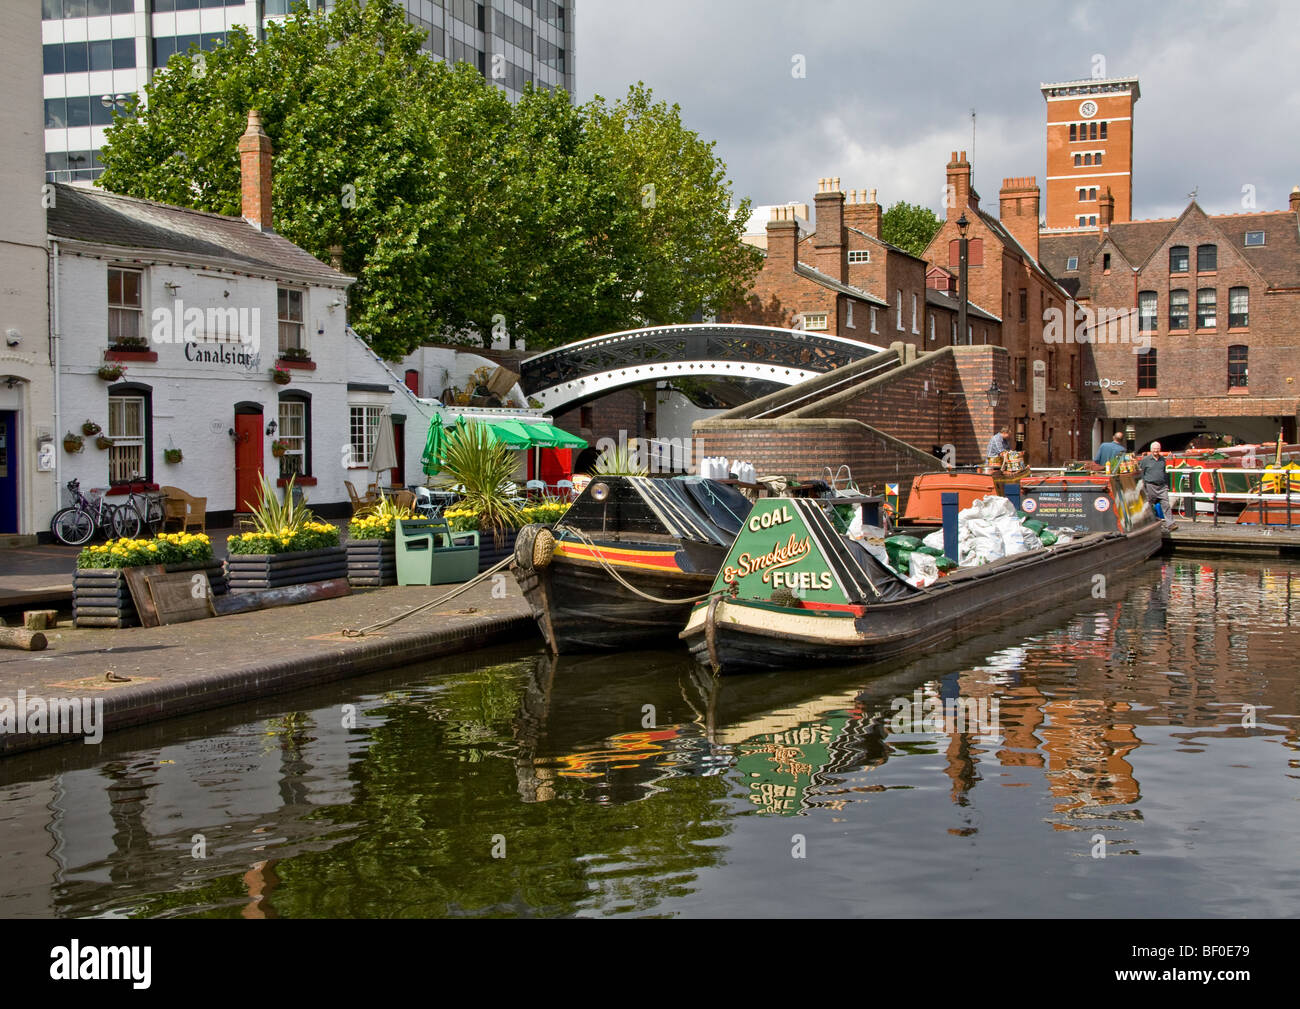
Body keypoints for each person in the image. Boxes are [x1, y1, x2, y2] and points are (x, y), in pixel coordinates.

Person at [1136, 441, 1177, 530]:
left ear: (1160, 449)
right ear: (1151, 450)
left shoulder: (1163, 459)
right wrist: (1144, 485)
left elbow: (1164, 472)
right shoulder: (1145, 460)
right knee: (1149, 504)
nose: (1156, 450)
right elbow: (1141, 472)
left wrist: (1166, 485)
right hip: (1150, 485)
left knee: (1166, 504)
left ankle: (1171, 524)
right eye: (1154, 449)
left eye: (1157, 449)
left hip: (1162, 486)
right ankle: (1150, 521)